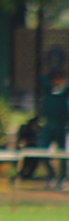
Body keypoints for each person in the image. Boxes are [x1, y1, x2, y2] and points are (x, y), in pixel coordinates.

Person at [37, 63, 68, 191]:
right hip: (48, 126)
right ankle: (51, 175)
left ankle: (62, 179)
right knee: (42, 150)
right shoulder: (48, 90)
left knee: (62, 154)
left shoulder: (65, 93)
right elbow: (42, 79)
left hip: (61, 127)